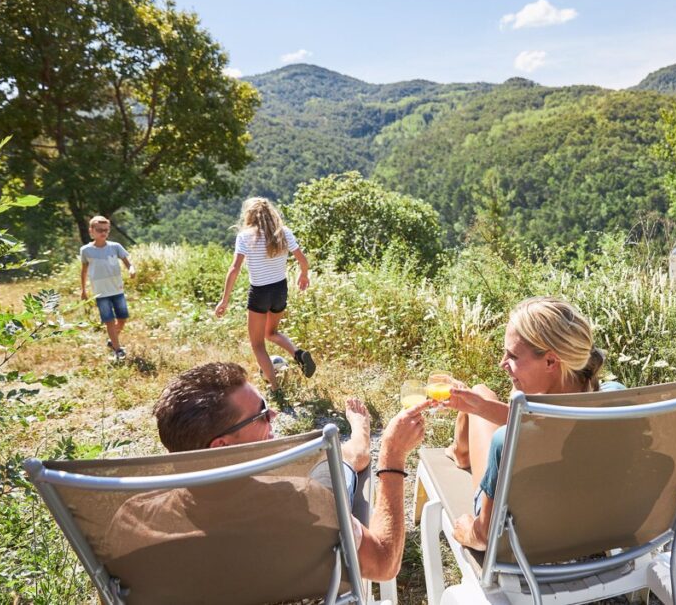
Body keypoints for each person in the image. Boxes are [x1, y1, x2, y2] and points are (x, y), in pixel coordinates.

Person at [107, 362, 427, 584]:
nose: (272, 412)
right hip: (310, 503)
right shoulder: (304, 503)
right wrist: (393, 455)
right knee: (341, 465)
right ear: (221, 447)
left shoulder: (132, 520)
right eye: (261, 413)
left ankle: (353, 446)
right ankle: (359, 443)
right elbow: (385, 564)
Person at [439, 296, 622, 551]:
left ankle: (460, 453)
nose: (502, 363)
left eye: (512, 355)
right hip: (592, 527)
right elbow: (552, 427)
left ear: (550, 361)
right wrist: (481, 406)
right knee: (482, 400)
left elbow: (485, 538)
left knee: (481, 390)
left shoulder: (510, 440)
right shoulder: (616, 402)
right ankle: (461, 447)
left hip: (527, 540)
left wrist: (467, 530)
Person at [214, 197, 315, 391]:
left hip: (260, 292)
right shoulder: (283, 233)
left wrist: (224, 300)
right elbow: (303, 260)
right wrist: (303, 275)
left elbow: (234, 269)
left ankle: (276, 389)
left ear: (249, 215)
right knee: (272, 332)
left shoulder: (245, 237)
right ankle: (298, 354)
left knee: (258, 344)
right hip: (280, 289)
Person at [80, 215, 135, 360]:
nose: (103, 233)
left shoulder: (115, 247)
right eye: (99, 230)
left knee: (122, 318)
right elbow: (84, 270)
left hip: (117, 289)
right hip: (100, 292)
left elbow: (127, 262)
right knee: (109, 320)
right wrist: (83, 290)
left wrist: (131, 269)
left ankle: (113, 339)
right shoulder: (85, 250)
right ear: (91, 231)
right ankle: (118, 349)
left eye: (106, 230)